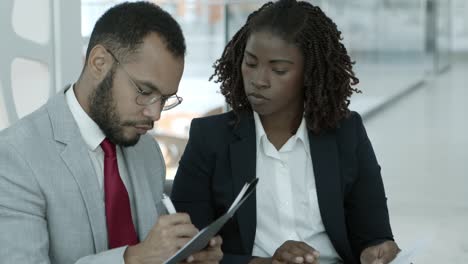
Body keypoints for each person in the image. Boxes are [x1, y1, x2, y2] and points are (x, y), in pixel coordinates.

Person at [171, 0, 400, 263]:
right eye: (251, 63)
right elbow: (189, 251)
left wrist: (377, 250)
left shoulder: (346, 133)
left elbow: (373, 232)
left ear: (309, 74)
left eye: (278, 70)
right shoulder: (209, 139)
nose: (259, 80)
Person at [0, 2, 222, 264]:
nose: (155, 114)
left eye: (164, 99)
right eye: (144, 91)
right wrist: (132, 258)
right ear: (99, 63)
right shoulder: (15, 157)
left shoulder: (147, 152)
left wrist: (184, 257)